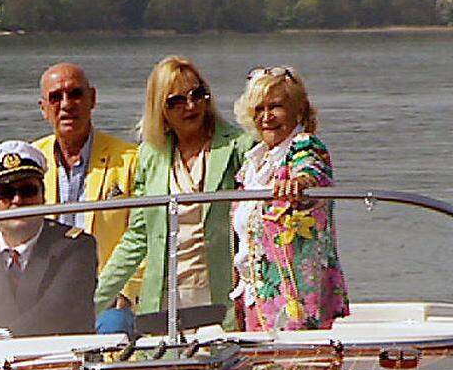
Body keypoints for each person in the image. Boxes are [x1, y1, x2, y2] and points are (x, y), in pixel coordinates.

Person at [94, 56, 255, 327]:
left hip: (222, 297)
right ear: (160, 109)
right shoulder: (149, 155)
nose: (190, 106)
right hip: (164, 299)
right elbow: (138, 236)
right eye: (176, 101)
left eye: (196, 94)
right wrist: (92, 302)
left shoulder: (240, 147)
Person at [0, 140, 97, 347]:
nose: (18, 200)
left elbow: (58, 306)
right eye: (5, 193)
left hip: (63, 367)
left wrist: (4, 338)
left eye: (28, 191)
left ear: (43, 197)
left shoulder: (76, 247)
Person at [230, 66, 350, 331]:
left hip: (296, 300)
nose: (266, 117)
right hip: (256, 297)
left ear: (298, 110)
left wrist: (300, 183)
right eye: (259, 109)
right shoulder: (254, 163)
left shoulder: (304, 146)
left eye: (275, 107)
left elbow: (312, 171)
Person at [32, 63, 139, 276]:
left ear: (92, 99)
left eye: (75, 94)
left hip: (109, 292)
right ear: (43, 108)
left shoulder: (131, 160)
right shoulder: (32, 160)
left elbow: (145, 236)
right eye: (56, 97)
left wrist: (126, 293)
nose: (66, 104)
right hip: (45, 288)